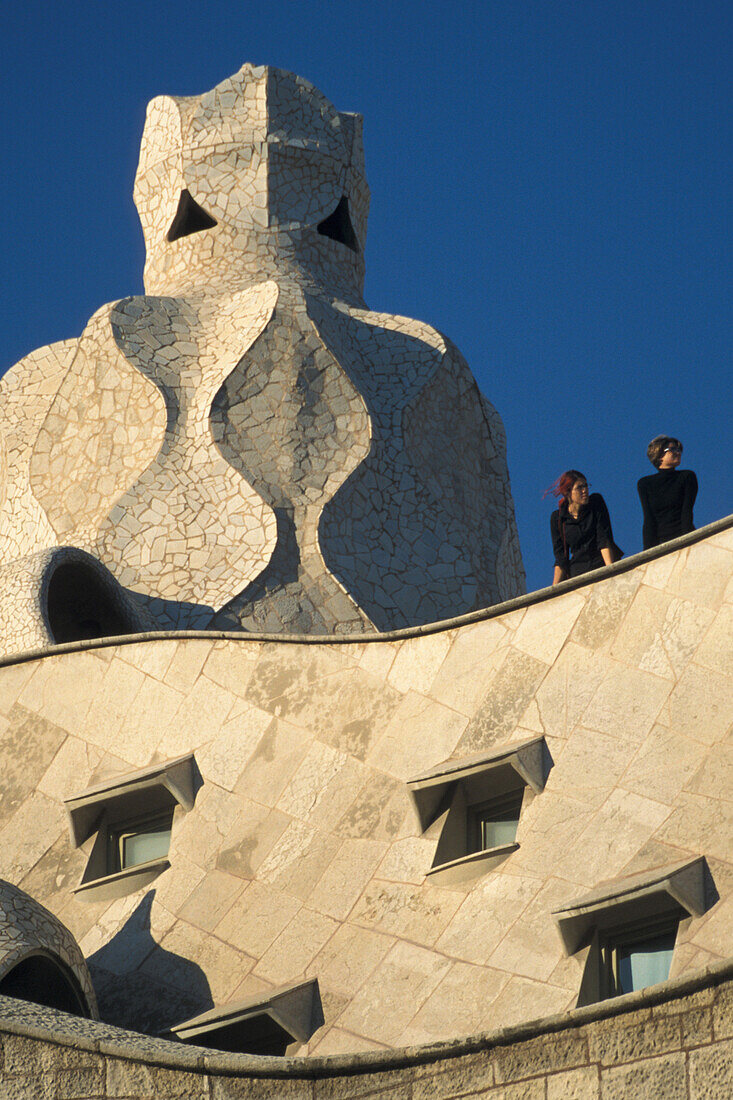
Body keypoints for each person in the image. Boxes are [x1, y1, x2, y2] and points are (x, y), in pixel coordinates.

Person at [549, 470, 620, 585]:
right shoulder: (558, 518)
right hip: (578, 573)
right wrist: (553, 589)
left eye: (586, 486)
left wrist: (610, 571)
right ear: (568, 492)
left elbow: (604, 539)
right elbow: (561, 557)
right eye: (579, 487)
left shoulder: (596, 502)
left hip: (600, 564)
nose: (585, 490)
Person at [637, 436, 697, 550]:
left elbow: (687, 512)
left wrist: (688, 542)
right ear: (659, 455)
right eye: (673, 449)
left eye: (679, 450)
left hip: (683, 537)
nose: (678, 453)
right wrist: (647, 553)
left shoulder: (687, 477)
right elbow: (649, 518)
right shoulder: (645, 484)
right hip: (659, 543)